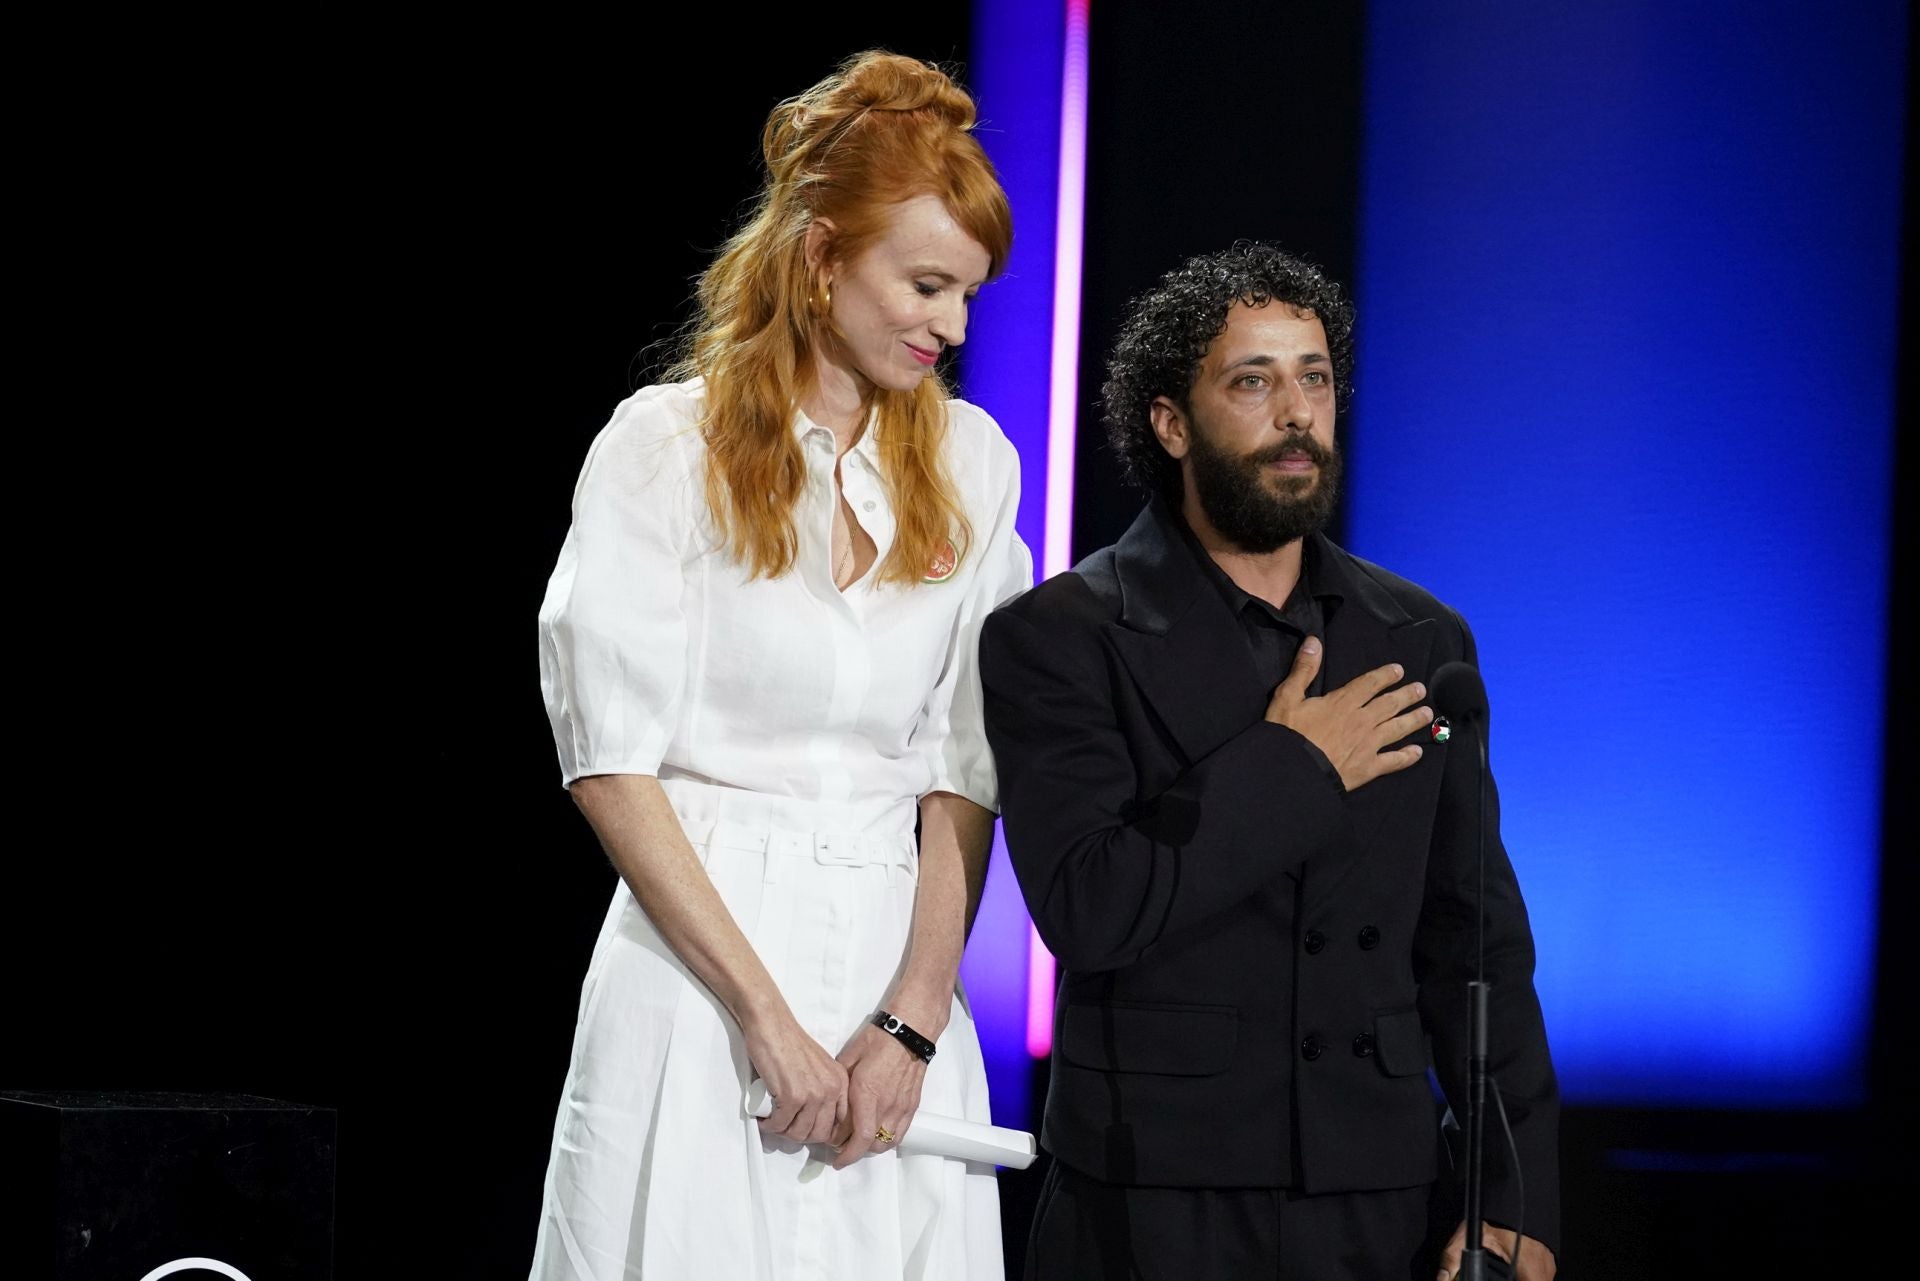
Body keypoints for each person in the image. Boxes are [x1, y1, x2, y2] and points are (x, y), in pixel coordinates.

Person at [529, 50, 1029, 1281]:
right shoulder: (664, 447)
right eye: (924, 285)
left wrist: (911, 1018)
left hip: (889, 987)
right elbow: (611, 762)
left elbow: (970, 764)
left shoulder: (974, 464)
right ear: (819, 257)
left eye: (966, 297)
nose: (950, 328)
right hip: (699, 978)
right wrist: (766, 1020)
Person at [979, 242, 1560, 1280]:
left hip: (1376, 1199)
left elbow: (1474, 942)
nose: (1297, 413)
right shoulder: (1062, 634)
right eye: (1254, 381)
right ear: (1170, 423)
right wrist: (1295, 768)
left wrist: (1510, 1200)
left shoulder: (1420, 640)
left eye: (1315, 379)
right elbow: (1090, 906)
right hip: (1153, 1198)